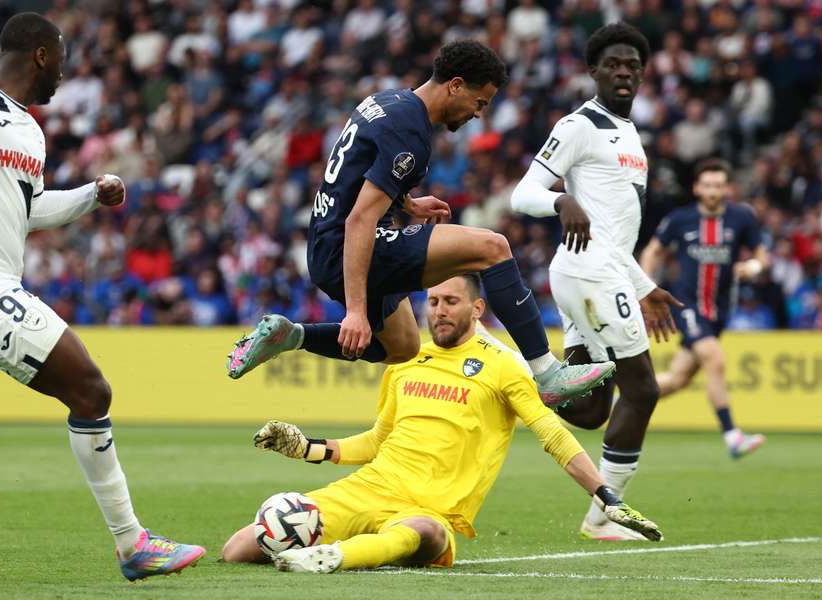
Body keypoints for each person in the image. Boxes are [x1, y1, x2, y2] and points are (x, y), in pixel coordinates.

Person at [0, 13, 204, 580]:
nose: (65, 72)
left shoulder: (29, 131)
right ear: (40, 55)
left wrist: (91, 195)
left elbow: (27, 211)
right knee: (90, 388)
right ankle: (133, 544)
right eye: (61, 58)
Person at [226, 40, 615, 408]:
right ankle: (548, 374)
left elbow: (357, 174)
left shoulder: (387, 100)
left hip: (326, 242)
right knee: (492, 247)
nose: (478, 113)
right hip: (352, 244)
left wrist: (406, 202)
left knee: (402, 347)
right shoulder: (410, 133)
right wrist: (356, 312)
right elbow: (361, 217)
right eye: (479, 102)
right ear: (456, 85)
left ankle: (289, 335)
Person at [221, 275, 662, 573]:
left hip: (428, 510)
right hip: (368, 489)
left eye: (450, 302)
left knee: (425, 535)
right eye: (432, 302)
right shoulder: (405, 361)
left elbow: (552, 434)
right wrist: (307, 448)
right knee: (237, 549)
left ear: (477, 308)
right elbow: (377, 441)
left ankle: (334, 557)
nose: (439, 311)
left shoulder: (505, 366)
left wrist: (605, 495)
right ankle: (325, 552)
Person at [510, 23, 682, 541]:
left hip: (598, 270)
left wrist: (646, 287)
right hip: (589, 273)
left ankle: (516, 371)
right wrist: (561, 200)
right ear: (594, 71)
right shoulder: (579, 124)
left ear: (643, 72)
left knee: (588, 408)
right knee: (644, 389)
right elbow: (523, 194)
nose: (624, 71)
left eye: (633, 64)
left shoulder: (630, 134)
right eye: (613, 64)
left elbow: (614, 236)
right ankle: (604, 516)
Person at [639, 158, 767, 458]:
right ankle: (732, 436)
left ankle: (624, 399)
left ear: (728, 189)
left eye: (718, 186)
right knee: (715, 359)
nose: (713, 191)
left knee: (678, 379)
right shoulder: (680, 219)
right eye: (707, 185)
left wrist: (754, 266)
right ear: (697, 188)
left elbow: (762, 257)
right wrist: (647, 288)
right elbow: (653, 251)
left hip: (718, 312)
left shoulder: (742, 218)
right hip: (687, 306)